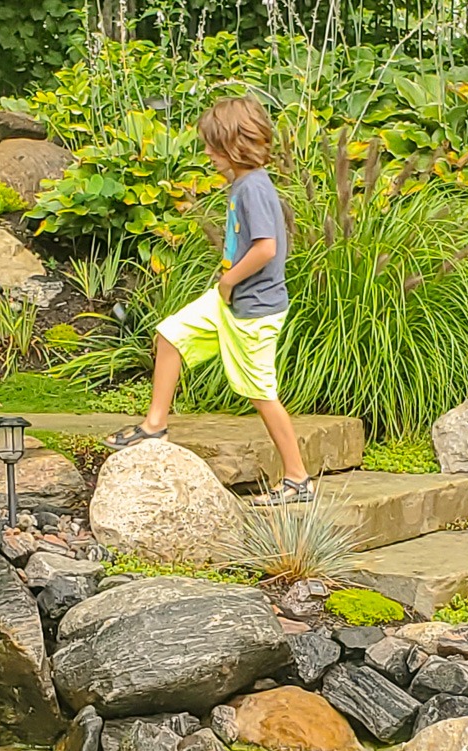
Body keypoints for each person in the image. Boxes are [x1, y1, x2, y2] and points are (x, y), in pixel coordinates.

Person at [102, 95, 313, 505]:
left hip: (253, 310)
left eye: (212, 147)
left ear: (234, 145)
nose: (208, 155)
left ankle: (297, 478)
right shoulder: (244, 184)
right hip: (231, 300)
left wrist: (230, 281)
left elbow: (266, 248)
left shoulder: (253, 188)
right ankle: (154, 424)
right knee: (171, 334)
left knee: (260, 392)